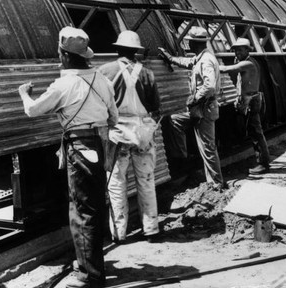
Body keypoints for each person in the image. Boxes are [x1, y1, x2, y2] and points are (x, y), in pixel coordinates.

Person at [18, 26, 118, 288]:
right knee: (94, 205)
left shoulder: (64, 84)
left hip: (79, 147)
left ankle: (90, 276)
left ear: (63, 55)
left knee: (82, 209)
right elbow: (114, 118)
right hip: (99, 142)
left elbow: (33, 110)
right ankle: (90, 263)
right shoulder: (103, 80)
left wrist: (23, 93)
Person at [99, 31, 161, 244]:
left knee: (116, 184)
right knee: (146, 181)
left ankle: (119, 234)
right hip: (142, 134)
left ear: (117, 49)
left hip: (117, 134)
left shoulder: (105, 72)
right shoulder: (148, 74)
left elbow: (100, 106)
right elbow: (155, 108)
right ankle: (151, 229)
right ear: (136, 51)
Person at [158, 26, 224, 189]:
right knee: (175, 121)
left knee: (208, 147)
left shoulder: (206, 60)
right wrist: (171, 58)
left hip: (205, 107)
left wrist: (194, 97)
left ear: (196, 43)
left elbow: (209, 86)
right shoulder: (201, 58)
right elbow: (189, 63)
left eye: (190, 42)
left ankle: (216, 183)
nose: (188, 45)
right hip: (201, 107)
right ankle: (183, 158)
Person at [219, 37, 270, 175]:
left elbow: (225, 69)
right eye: (235, 50)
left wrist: (206, 63)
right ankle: (262, 161)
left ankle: (263, 164)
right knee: (254, 132)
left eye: (240, 50)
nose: (237, 53)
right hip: (248, 99)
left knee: (256, 132)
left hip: (251, 101)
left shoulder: (248, 64)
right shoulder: (245, 61)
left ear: (248, 50)